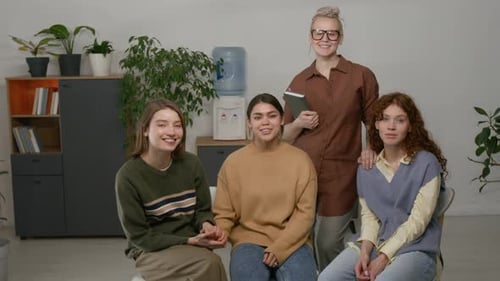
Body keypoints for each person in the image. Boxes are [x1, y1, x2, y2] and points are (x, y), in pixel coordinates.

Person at [282, 6, 380, 271]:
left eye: (332, 34)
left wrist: (371, 148)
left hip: (342, 174)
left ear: (341, 38)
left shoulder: (361, 75)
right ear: (310, 36)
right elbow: (284, 136)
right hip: (302, 175)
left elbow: (375, 121)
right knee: (302, 240)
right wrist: (299, 123)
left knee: (326, 242)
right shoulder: (299, 81)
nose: (325, 39)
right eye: (319, 33)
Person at [318, 92, 448, 281]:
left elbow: (418, 222)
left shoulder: (426, 163)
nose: (391, 126)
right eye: (384, 119)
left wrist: (383, 258)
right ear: (376, 124)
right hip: (375, 244)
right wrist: (364, 252)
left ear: (410, 126)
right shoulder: (367, 168)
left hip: (415, 248)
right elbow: (369, 217)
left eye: (400, 120)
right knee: (327, 278)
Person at [115, 98, 228, 281]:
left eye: (177, 125)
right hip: (150, 251)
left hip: (191, 247)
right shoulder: (128, 176)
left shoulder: (192, 164)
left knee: (208, 262)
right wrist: (189, 240)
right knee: (209, 263)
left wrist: (207, 226)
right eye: (162, 125)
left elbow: (202, 211)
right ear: (145, 130)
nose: (171, 132)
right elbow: (140, 237)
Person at [213, 93, 318, 281]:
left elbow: (306, 214)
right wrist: (221, 231)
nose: (265, 122)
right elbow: (224, 212)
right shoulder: (233, 162)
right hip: (248, 240)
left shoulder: (301, 160)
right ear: (249, 123)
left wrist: (280, 247)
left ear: (282, 120)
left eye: (272, 115)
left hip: (293, 240)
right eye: (258, 117)